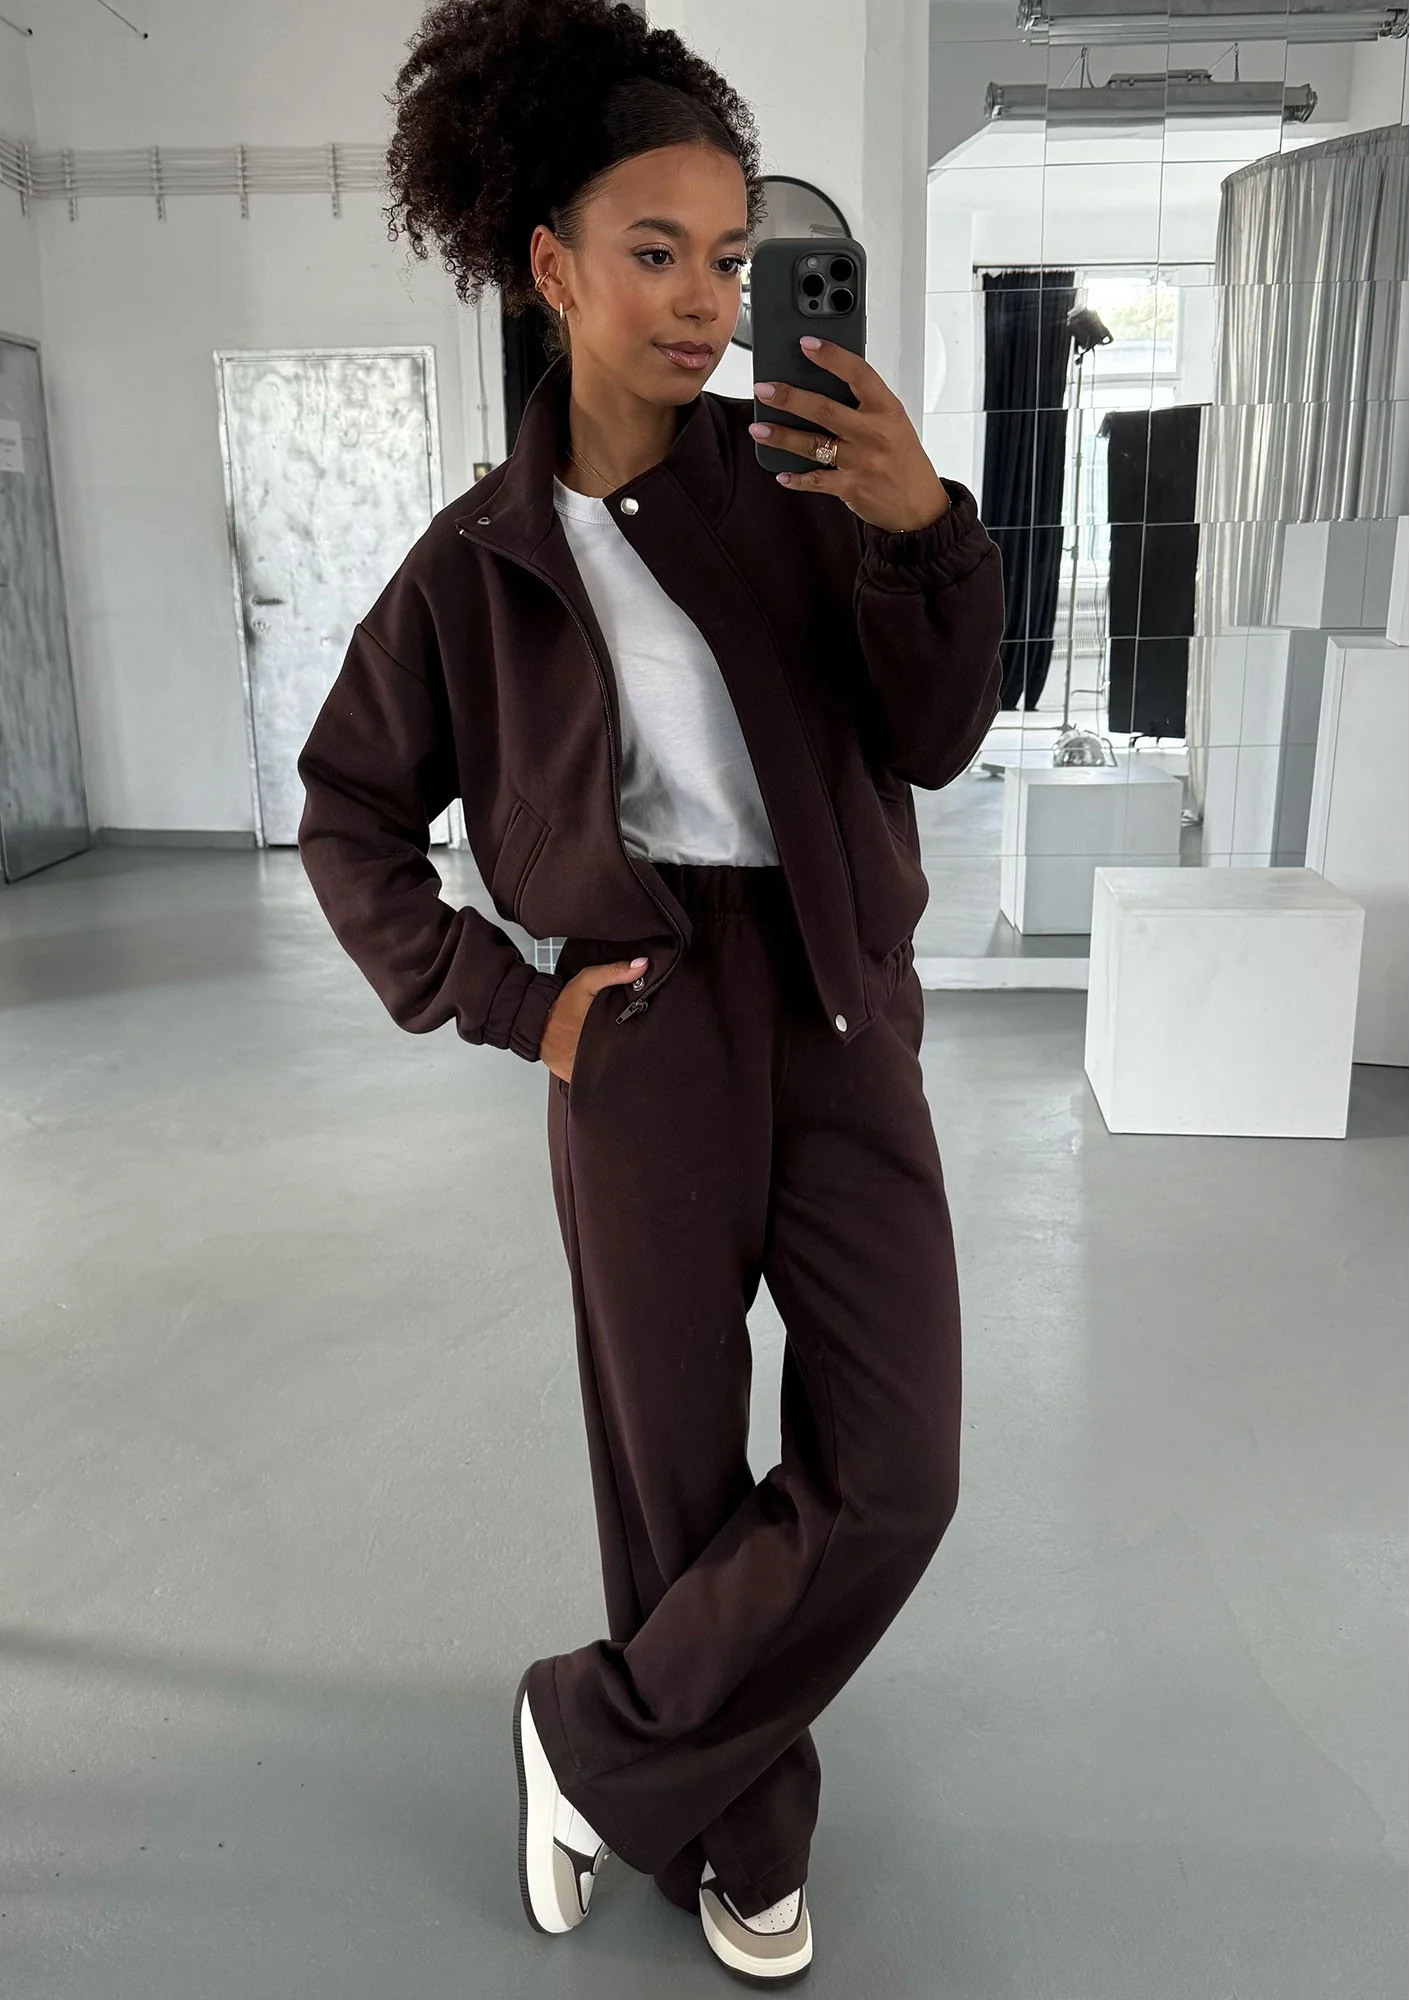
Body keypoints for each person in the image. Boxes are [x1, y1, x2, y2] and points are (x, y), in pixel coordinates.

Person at [296, 0, 1006, 1981]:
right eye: (656, 251)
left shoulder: (798, 482)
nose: (706, 300)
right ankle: (740, 1834)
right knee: (674, 1472)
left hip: (836, 1004)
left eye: (730, 256)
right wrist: (510, 1002)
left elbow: (933, 737)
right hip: (639, 1018)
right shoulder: (473, 564)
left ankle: (587, 1739)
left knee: (898, 1467)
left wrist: (924, 536)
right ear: (549, 265)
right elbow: (349, 813)